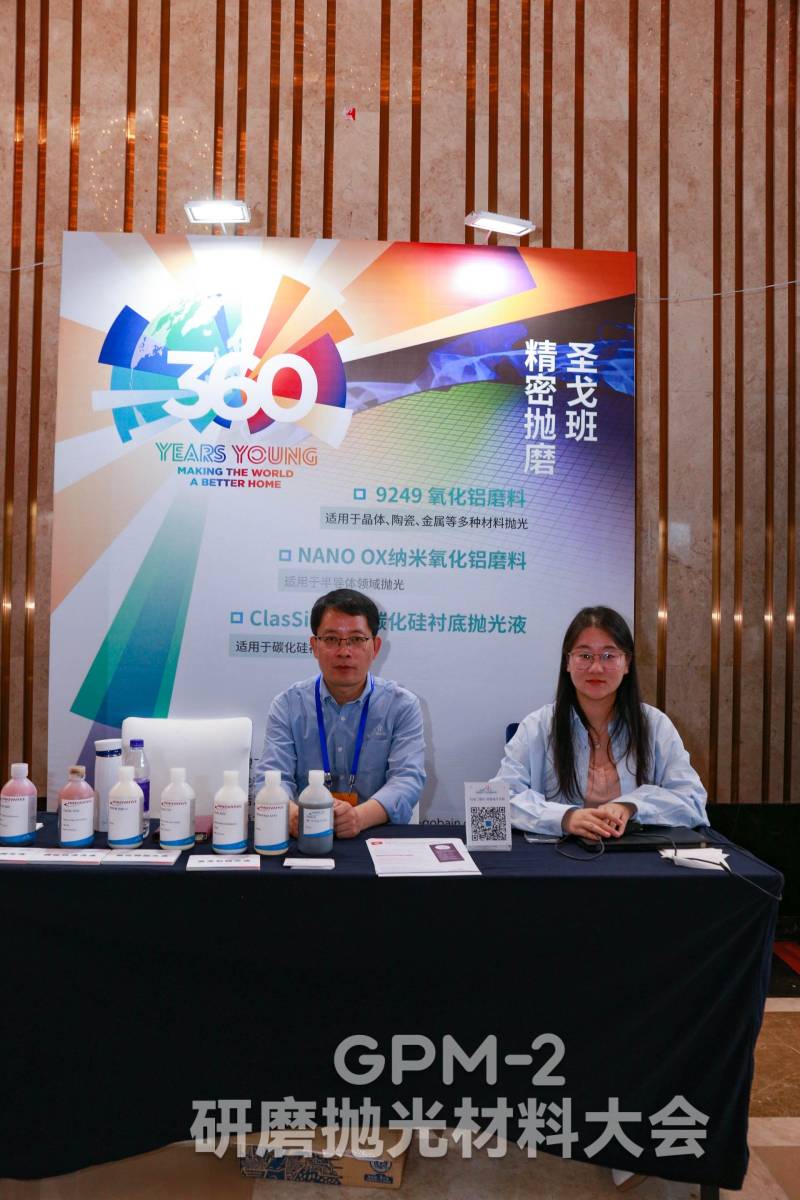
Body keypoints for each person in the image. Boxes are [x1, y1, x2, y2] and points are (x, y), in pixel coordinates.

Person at [493, 605, 707, 841]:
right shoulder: (537, 727)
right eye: (585, 656)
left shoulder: (655, 726)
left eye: (609, 656)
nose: (596, 668)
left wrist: (632, 806)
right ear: (567, 662)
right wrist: (564, 817)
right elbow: (497, 801)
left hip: (638, 857)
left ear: (627, 663)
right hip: (560, 856)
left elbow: (692, 800)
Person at [257, 588, 426, 838]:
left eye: (356, 639)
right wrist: (292, 815)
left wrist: (358, 818)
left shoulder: (401, 705)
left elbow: (407, 779)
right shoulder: (288, 705)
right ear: (314, 646)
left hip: (374, 833)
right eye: (332, 639)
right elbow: (272, 778)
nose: (344, 651)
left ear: (375, 647)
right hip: (304, 834)